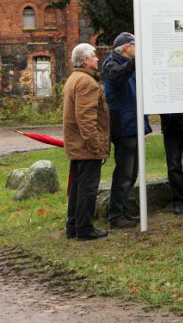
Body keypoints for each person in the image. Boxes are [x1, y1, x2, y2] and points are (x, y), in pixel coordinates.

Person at [103, 32, 151, 229]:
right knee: (124, 172)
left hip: (135, 124)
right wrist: (135, 62)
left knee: (132, 173)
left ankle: (122, 211)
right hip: (124, 126)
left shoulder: (129, 65)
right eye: (135, 45)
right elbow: (117, 77)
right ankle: (115, 215)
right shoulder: (111, 64)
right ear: (125, 48)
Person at [63, 43, 110, 240]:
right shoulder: (86, 82)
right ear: (85, 60)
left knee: (77, 187)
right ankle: (84, 228)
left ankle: (73, 225)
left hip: (77, 144)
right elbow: (86, 117)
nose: (98, 59)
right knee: (87, 188)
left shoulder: (74, 78)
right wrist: (96, 146)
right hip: (86, 146)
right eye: (94, 56)